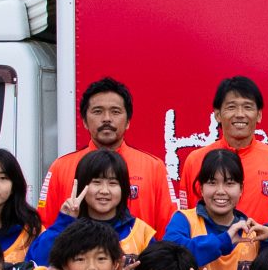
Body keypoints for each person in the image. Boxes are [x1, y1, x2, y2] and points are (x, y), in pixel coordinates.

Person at [39, 75, 174, 231]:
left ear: (128, 121)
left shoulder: (153, 168)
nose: (107, 119)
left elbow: (168, 231)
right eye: (97, 111)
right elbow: (45, 228)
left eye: (115, 112)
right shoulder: (61, 167)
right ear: (84, 120)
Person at [177, 75, 268, 225]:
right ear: (218, 115)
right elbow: (185, 219)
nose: (240, 114)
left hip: (263, 248)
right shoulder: (196, 160)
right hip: (209, 248)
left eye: (247, 107)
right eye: (231, 107)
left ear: (259, 115)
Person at [164, 145, 268, 270]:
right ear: (201, 187)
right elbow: (168, 258)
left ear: (241, 189)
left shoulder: (252, 231)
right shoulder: (184, 220)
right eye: (212, 182)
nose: (221, 191)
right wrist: (223, 241)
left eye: (229, 183)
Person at [27, 149, 154, 270]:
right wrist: (64, 221)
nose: (104, 191)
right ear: (82, 185)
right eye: (96, 182)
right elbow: (36, 265)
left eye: (113, 183)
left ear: (124, 189)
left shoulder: (141, 233)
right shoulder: (65, 227)